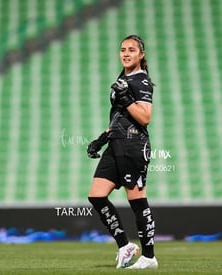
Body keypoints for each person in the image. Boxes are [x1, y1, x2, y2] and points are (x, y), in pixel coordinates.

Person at [87, 34, 158, 269]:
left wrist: (127, 97)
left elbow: (145, 117)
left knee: (136, 201)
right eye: (122, 50)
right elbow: (119, 116)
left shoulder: (141, 80)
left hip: (133, 145)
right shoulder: (123, 77)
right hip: (115, 143)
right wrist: (101, 139)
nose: (126, 53)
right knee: (96, 195)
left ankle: (148, 257)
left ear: (141, 54)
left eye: (131, 50)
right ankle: (125, 246)